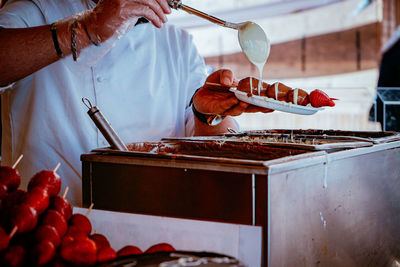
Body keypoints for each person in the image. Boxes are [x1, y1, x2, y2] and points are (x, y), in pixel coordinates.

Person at [0, 0, 272, 206]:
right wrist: (86, 28)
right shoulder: (34, 12)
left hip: (152, 225)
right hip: (45, 227)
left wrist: (206, 115)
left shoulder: (177, 43)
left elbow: (214, 149)